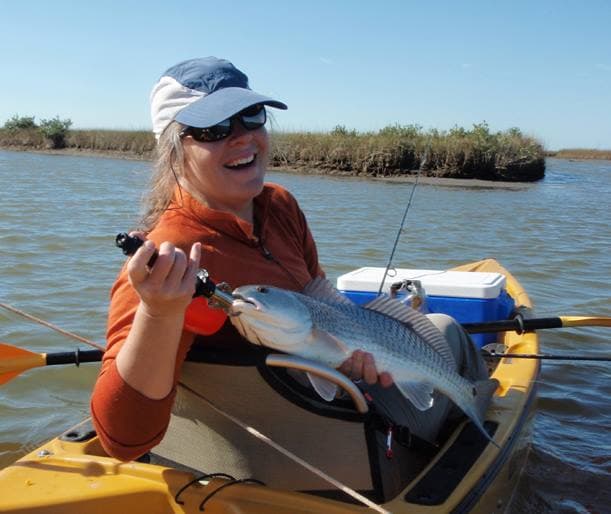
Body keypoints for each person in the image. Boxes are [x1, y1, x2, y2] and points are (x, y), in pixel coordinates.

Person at [90, 57, 489, 493]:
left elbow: (323, 299)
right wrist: (159, 314)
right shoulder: (170, 260)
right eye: (213, 129)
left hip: (338, 391)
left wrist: (355, 358)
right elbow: (122, 440)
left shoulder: (279, 205)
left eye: (251, 116)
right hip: (325, 444)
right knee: (448, 330)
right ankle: (478, 424)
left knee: (431, 333)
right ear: (172, 148)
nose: (242, 136)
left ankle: (462, 414)